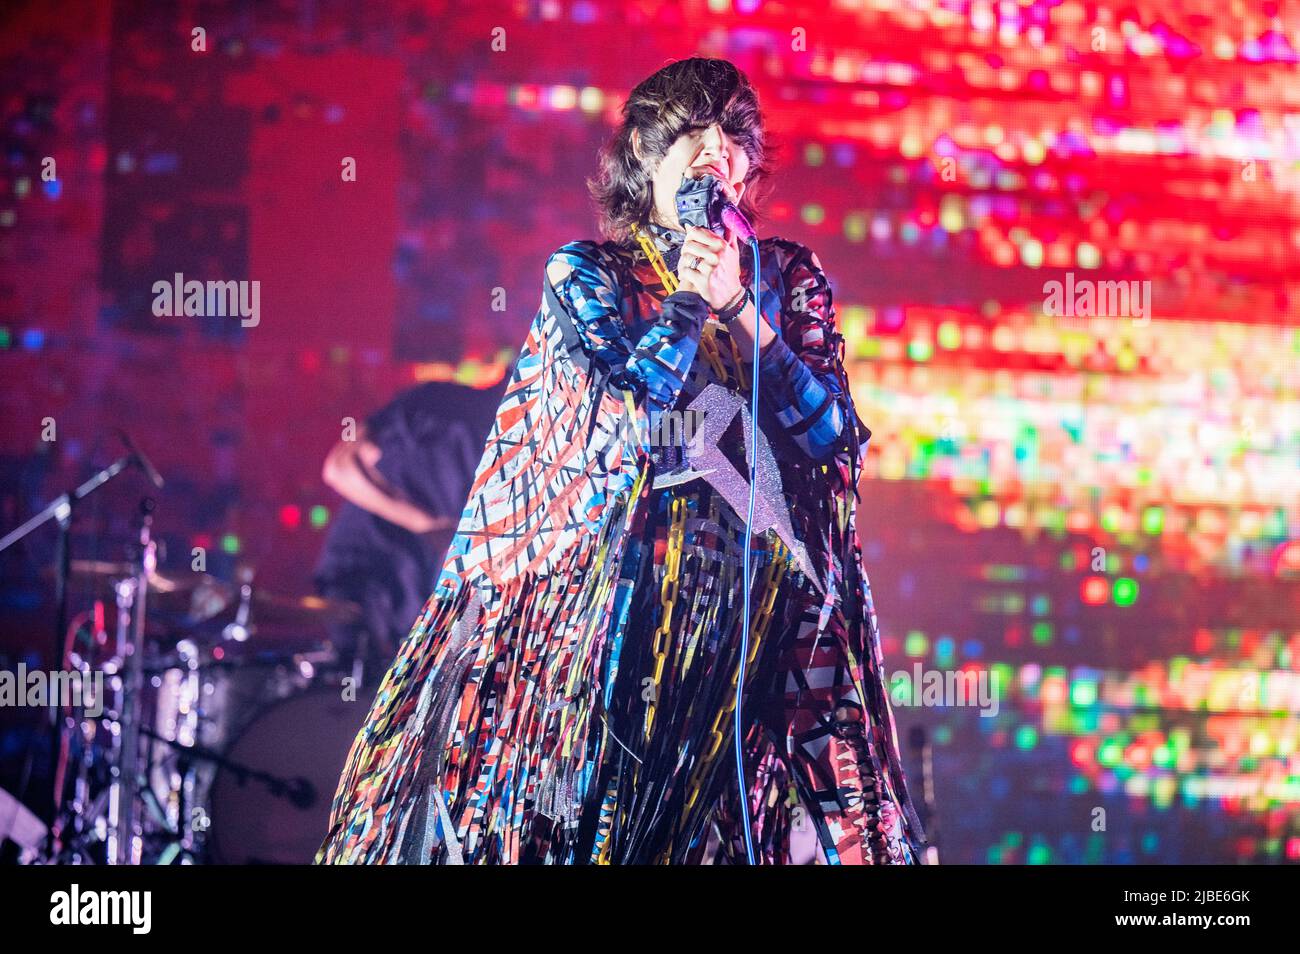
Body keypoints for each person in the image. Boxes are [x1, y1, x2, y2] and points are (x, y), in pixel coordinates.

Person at [317, 57, 925, 864]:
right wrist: (687, 301)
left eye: (735, 135)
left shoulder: (786, 277)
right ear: (646, 154)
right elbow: (631, 424)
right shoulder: (589, 276)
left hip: (757, 638)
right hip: (619, 638)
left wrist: (744, 309)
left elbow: (833, 440)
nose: (717, 146)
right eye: (693, 131)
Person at [313, 379, 504, 667]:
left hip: (419, 604)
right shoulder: (439, 402)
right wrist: (429, 526)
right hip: (363, 579)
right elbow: (339, 468)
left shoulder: (510, 452)